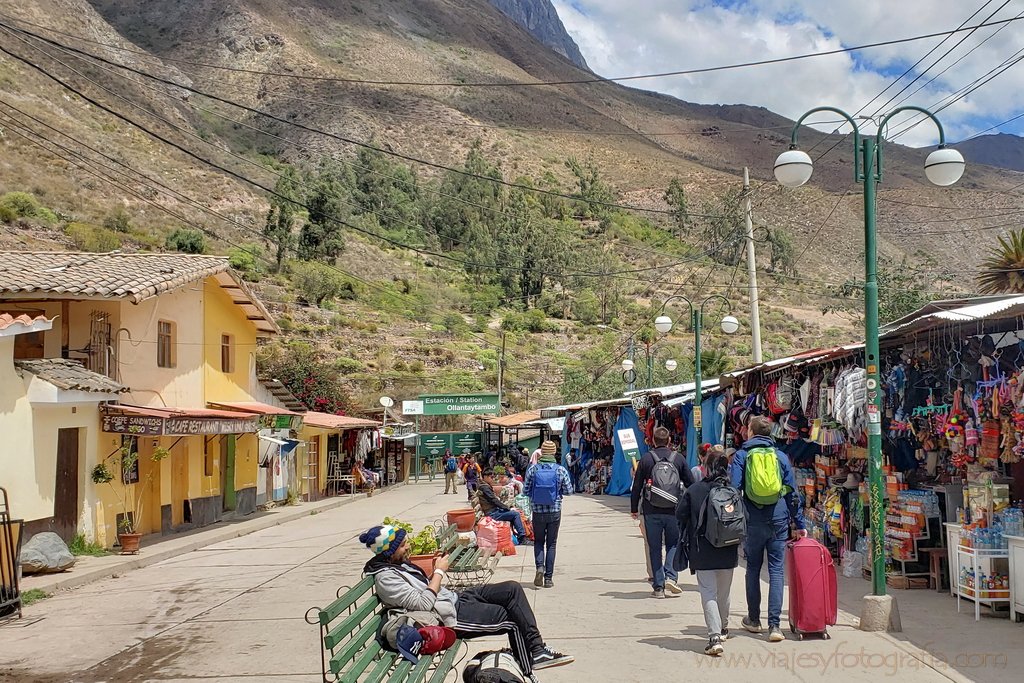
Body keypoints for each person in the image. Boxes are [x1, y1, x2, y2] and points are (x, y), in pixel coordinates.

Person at [360, 524, 573, 675]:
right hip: (448, 616)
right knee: (511, 619)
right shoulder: (385, 577)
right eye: (403, 545)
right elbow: (423, 604)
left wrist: (436, 573)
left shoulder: (398, 564)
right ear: (388, 551)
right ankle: (529, 669)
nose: (408, 547)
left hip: (453, 598)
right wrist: (439, 572)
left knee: (511, 590)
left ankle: (537, 650)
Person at [730, 415, 806, 643]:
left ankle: (754, 620)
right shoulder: (780, 456)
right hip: (778, 518)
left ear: (750, 432)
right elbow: (792, 493)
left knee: (752, 568)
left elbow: (734, 488)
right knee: (775, 570)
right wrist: (799, 523)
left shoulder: (742, 456)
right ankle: (775, 625)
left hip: (753, 519)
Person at [677, 451, 740, 656]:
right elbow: (743, 517)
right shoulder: (732, 491)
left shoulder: (695, 490)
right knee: (724, 593)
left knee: (708, 593)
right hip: (728, 549)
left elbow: (680, 514)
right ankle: (723, 628)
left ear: (706, 467)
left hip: (702, 550)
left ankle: (714, 637)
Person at [631, 426, 694, 598]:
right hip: (674, 510)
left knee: (655, 547)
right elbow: (691, 483)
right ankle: (671, 577)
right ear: (669, 441)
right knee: (673, 544)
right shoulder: (678, 459)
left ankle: (658, 587)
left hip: (651, 511)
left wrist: (634, 509)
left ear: (652, 441)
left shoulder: (646, 459)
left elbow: (636, 487)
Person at [524, 440, 573, 588]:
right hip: (554, 511)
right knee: (551, 544)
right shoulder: (560, 469)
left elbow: (525, 491)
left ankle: (539, 567)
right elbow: (569, 491)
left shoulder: (532, 469)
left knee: (539, 542)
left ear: (541, 452)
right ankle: (548, 579)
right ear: (553, 452)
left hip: (538, 512)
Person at [479, 468, 531, 545]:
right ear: (485, 477)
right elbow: (494, 500)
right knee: (515, 514)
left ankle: (519, 535)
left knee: (513, 513)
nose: (492, 479)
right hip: (492, 513)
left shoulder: (484, 486)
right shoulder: (484, 487)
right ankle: (522, 538)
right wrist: (506, 507)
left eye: (493, 477)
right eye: (491, 477)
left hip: (494, 511)